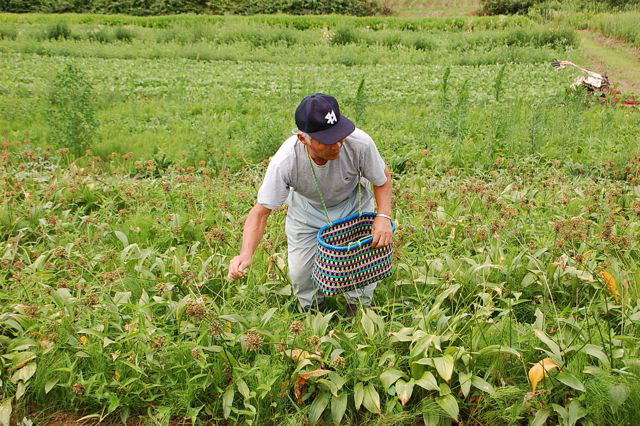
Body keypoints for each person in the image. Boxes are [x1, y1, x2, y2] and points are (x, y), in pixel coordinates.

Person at [227, 93, 393, 315]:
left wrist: (383, 217)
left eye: (339, 135)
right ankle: (314, 313)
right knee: (301, 274)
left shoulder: (359, 143)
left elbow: (382, 179)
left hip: (353, 205)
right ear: (303, 139)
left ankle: (359, 310)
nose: (337, 145)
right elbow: (261, 212)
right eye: (327, 140)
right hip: (307, 211)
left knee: (361, 265)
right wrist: (245, 254)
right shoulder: (286, 161)